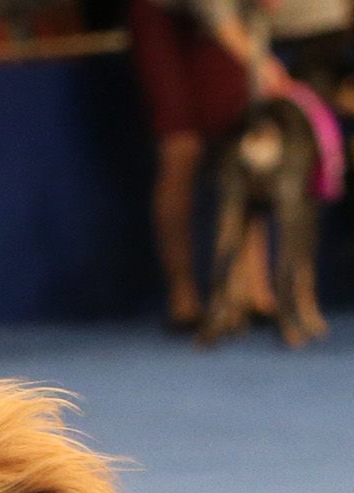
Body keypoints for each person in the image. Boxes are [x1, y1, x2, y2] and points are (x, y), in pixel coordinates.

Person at [132, 0, 286, 329]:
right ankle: (183, 295)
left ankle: (253, 289)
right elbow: (214, 11)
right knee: (181, 147)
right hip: (164, 17)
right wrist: (259, 63)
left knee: (241, 141)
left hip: (228, 16)